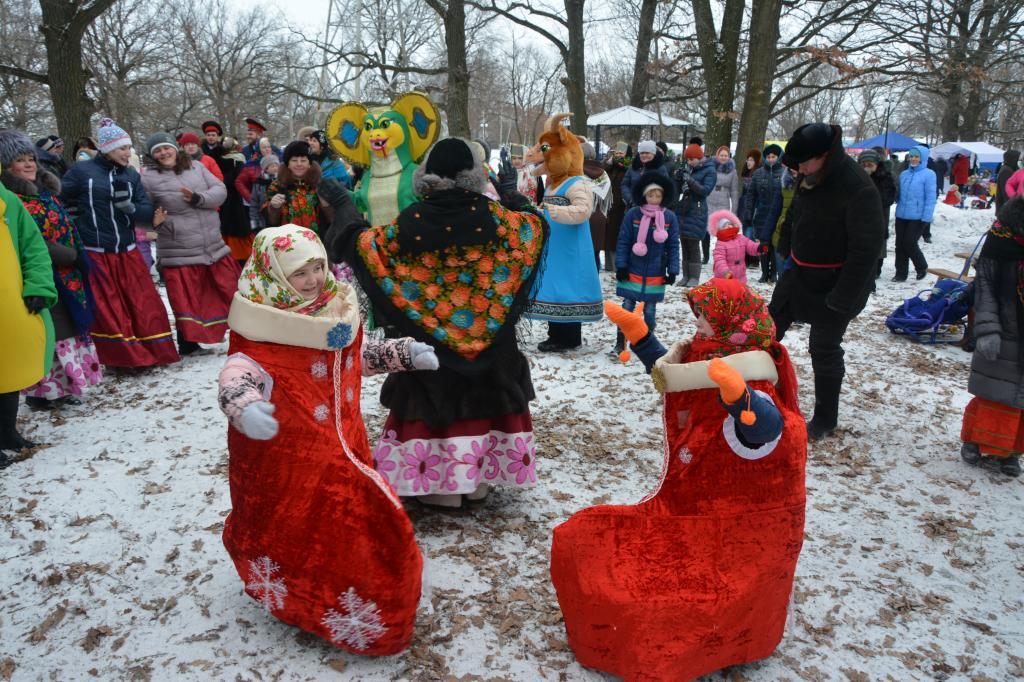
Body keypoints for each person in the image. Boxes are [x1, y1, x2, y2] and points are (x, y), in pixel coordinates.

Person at [552, 277, 805, 681]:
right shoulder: (709, 356)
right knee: (581, 538)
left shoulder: (749, 375)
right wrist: (640, 337)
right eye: (697, 318)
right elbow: (675, 377)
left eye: (704, 320)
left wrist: (744, 406)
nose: (697, 326)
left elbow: (771, 431)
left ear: (730, 325)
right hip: (687, 503)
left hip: (728, 525)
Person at [218, 225, 431, 652]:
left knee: (352, 521)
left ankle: (360, 597)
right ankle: (308, 597)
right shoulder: (263, 325)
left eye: (318, 267)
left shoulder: (334, 308)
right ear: (273, 275)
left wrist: (402, 353)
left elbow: (359, 355)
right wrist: (245, 407)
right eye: (300, 272)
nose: (314, 279)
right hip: (289, 457)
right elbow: (239, 373)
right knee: (305, 525)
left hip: (345, 443)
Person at [327, 137, 549, 507]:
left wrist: (343, 207)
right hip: (490, 341)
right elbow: (534, 229)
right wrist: (512, 196)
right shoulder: (498, 220)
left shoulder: (412, 221)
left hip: (429, 344)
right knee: (484, 398)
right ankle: (477, 480)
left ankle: (439, 486)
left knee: (433, 397)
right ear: (474, 177)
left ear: (426, 175)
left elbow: (366, 246)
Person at [771, 123, 884, 440]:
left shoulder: (858, 187)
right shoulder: (809, 174)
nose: (801, 170)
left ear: (825, 155)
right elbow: (796, 210)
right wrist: (785, 243)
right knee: (766, 329)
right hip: (800, 273)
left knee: (823, 346)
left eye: (805, 163)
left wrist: (843, 297)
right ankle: (754, 395)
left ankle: (824, 418)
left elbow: (866, 251)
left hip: (839, 280)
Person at [61, 118, 179, 368]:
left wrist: (131, 208)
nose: (128, 153)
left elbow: (146, 212)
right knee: (110, 307)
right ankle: (124, 359)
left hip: (127, 249)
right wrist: (74, 218)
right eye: (122, 148)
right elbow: (61, 197)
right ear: (107, 148)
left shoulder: (131, 175)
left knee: (143, 303)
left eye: (128, 148)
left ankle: (154, 352)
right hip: (96, 251)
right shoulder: (82, 172)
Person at [0, 130, 101, 409]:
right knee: (51, 333)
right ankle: (41, 393)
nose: (29, 164)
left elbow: (66, 226)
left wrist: (79, 253)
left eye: (31, 158)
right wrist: (68, 255)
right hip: (41, 275)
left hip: (67, 274)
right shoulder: (13, 199)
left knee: (67, 330)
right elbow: (31, 241)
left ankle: (64, 387)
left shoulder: (46, 194)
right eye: (21, 160)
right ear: (8, 167)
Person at [140, 133, 237, 356]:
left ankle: (240, 333)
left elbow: (220, 190)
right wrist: (157, 223)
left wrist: (198, 198)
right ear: (152, 155)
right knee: (187, 298)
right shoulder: (147, 178)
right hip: (178, 246)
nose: (163, 153)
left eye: (166, 148)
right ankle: (188, 343)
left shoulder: (196, 167)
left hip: (212, 243)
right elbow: (142, 211)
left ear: (175, 148)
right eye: (158, 150)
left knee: (226, 291)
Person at [524, 114, 603, 351]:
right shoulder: (552, 184)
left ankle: (569, 337)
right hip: (555, 248)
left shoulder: (577, 183)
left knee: (570, 289)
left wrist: (554, 211)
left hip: (571, 250)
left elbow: (583, 210)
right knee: (554, 288)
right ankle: (555, 334)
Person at [960, 196, 1024, 477]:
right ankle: (976, 439)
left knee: (1021, 399)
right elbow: (984, 287)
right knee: (994, 393)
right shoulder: (1001, 238)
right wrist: (987, 329)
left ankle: (1012, 451)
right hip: (1005, 328)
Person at [0, 165, 57, 463]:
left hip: (9, 304)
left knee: (9, 370)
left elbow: (33, 247)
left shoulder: (8, 201)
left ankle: (6, 432)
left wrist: (39, 286)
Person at [613, 172, 680, 354]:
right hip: (632, 269)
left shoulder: (669, 218)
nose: (654, 199)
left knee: (650, 312)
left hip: (655, 271)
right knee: (627, 308)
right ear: (644, 195)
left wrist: (673, 270)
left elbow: (673, 245)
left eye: (658, 196)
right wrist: (621, 266)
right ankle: (621, 341)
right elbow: (624, 241)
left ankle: (645, 344)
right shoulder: (633, 214)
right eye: (651, 195)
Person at [264, 140, 331, 235]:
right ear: (288, 164)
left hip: (316, 242)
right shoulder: (276, 186)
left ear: (309, 164)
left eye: (303, 160)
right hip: (287, 243)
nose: (299, 164)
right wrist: (274, 207)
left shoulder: (320, 185)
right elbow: (271, 222)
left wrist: (326, 206)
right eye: (294, 160)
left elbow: (333, 220)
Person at [673, 143, 716, 287]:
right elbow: (681, 189)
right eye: (688, 160)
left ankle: (694, 277)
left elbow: (704, 191)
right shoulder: (688, 169)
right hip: (684, 209)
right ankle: (685, 276)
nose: (690, 162)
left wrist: (689, 180)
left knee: (693, 243)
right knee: (684, 243)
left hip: (697, 210)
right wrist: (679, 178)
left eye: (692, 159)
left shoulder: (709, 170)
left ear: (699, 157)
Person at [893, 146, 936, 281]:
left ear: (922, 158)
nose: (913, 159)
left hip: (917, 217)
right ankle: (900, 273)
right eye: (911, 156)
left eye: (916, 156)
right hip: (901, 215)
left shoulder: (929, 174)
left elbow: (930, 197)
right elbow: (898, 193)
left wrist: (927, 216)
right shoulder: (904, 174)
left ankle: (921, 266)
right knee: (900, 244)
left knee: (910, 243)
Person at [858, 149, 896, 283]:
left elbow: (889, 197)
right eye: (864, 164)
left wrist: (872, 201)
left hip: (879, 215)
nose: (866, 167)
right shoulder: (859, 176)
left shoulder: (885, 177)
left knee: (878, 246)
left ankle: (876, 270)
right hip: (862, 217)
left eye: (870, 164)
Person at [749, 143, 785, 283]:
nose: (771, 159)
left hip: (778, 214)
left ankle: (774, 273)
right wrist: (749, 211)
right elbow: (752, 195)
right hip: (762, 213)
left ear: (778, 157)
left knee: (775, 244)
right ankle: (764, 273)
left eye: (773, 156)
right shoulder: (758, 173)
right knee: (764, 244)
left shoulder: (783, 173)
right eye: (768, 157)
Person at [581, 141, 611, 270]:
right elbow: (608, 198)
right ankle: (594, 284)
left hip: (582, 216)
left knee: (581, 255)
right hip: (600, 216)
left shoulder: (576, 173)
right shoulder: (604, 174)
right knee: (595, 254)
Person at [709, 209, 760, 284]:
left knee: (739, 294)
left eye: (729, 224)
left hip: (740, 277)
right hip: (725, 278)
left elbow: (751, 246)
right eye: (724, 226)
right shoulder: (720, 243)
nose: (728, 226)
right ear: (719, 230)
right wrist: (725, 271)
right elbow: (719, 260)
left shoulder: (741, 238)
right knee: (728, 294)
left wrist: (759, 248)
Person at [602, 143, 630, 272]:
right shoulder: (610, 166)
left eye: (621, 153)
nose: (618, 155)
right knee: (608, 235)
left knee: (618, 235)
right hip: (608, 205)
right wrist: (609, 163)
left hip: (621, 206)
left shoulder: (629, 167)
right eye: (617, 153)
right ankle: (608, 264)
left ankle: (617, 264)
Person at [621, 140, 670, 209]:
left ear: (653, 153)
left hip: (653, 209)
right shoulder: (633, 167)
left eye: (647, 153)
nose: (644, 155)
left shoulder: (660, 168)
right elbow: (625, 184)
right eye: (642, 153)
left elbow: (666, 188)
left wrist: (654, 201)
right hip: (633, 207)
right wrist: (630, 198)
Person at [737, 149, 761, 226]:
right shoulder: (746, 175)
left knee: (749, 235)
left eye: (751, 160)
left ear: (756, 162)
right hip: (744, 211)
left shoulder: (759, 176)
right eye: (748, 160)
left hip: (753, 212)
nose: (748, 162)